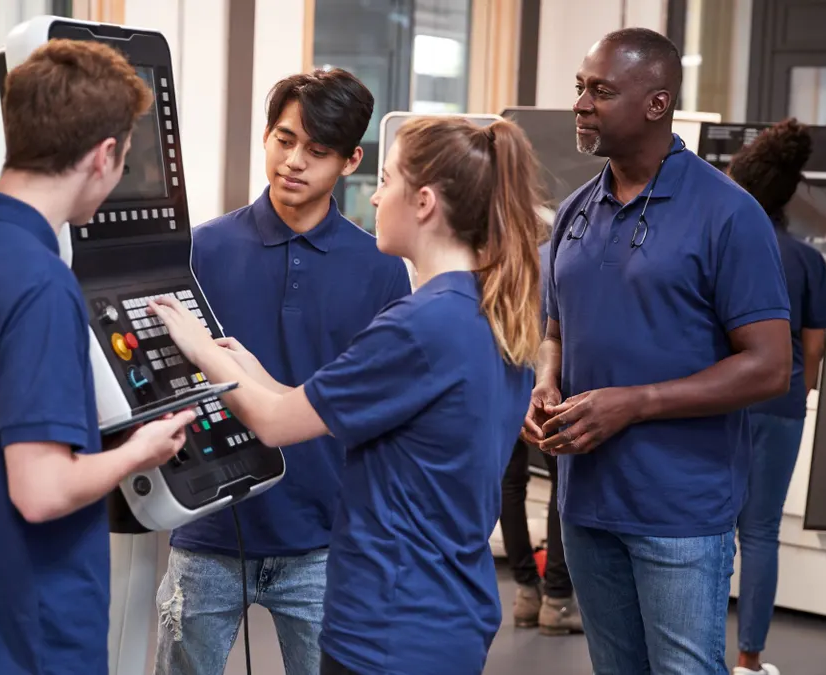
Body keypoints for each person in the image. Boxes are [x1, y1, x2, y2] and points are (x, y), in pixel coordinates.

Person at [150, 115, 543, 675]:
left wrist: (197, 344)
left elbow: (278, 424)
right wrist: (251, 369)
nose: (377, 197)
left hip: (392, 619)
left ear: (425, 201)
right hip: (445, 609)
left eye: (386, 181)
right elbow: (320, 405)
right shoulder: (482, 310)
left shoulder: (419, 326)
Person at [0, 40, 196, 675]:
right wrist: (140, 451)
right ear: (106, 155)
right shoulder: (39, 282)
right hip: (28, 636)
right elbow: (40, 491)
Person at [522, 28, 793, 675]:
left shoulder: (728, 213)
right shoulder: (574, 213)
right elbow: (554, 328)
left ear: (657, 103)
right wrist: (545, 380)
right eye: (580, 88)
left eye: (601, 91)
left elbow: (770, 365)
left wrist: (635, 403)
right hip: (584, 502)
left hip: (679, 510)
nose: (582, 104)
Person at [153, 68, 412, 675]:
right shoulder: (200, 249)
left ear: (351, 162)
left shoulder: (379, 269)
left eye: (317, 151)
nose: (294, 161)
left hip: (325, 542)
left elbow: (377, 413)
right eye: (283, 139)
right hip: (209, 528)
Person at [726, 118, 826, 675]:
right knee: (761, 531)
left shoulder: (723, 243)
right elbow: (811, 350)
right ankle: (750, 660)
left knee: (712, 525)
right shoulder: (808, 260)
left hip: (721, 400)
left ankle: (694, 650)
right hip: (782, 404)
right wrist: (798, 393)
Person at [499, 238, 583, 635]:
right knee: (561, 487)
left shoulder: (506, 259)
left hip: (503, 384)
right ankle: (558, 599)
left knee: (510, 485)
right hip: (549, 389)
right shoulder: (564, 257)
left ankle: (526, 593)